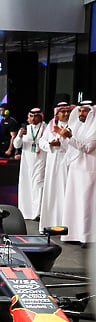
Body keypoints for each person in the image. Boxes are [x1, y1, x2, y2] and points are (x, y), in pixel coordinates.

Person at [60, 101, 96, 245]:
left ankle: (87, 237)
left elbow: (87, 148)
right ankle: (72, 234)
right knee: (74, 202)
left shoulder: (94, 127)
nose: (81, 114)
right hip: (75, 170)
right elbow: (69, 147)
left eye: (85, 111)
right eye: (80, 111)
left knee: (86, 203)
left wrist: (69, 137)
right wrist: (63, 137)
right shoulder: (78, 126)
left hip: (88, 170)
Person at [38, 103, 72, 228]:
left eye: (68, 111)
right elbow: (41, 142)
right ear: (57, 113)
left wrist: (61, 144)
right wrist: (50, 144)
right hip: (52, 164)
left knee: (65, 192)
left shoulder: (73, 125)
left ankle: (65, 225)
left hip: (67, 164)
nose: (67, 114)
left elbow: (77, 144)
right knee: (51, 192)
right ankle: (49, 224)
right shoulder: (52, 125)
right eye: (63, 112)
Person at [13, 108, 47, 220]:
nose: (33, 119)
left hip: (41, 160)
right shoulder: (25, 129)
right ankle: (26, 212)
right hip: (27, 162)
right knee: (26, 185)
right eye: (31, 116)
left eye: (35, 116)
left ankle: (37, 213)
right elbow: (16, 145)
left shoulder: (46, 128)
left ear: (40, 117)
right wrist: (19, 136)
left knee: (38, 185)